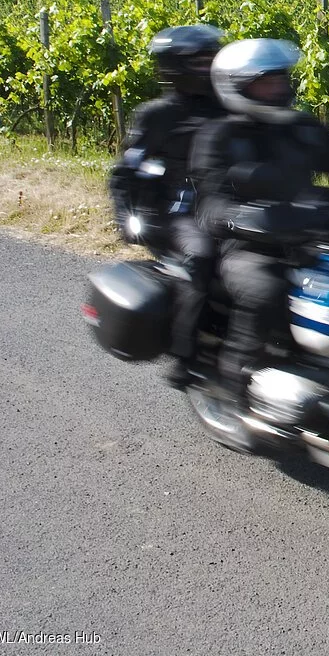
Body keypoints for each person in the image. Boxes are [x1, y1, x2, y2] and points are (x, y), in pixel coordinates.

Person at [190, 38, 329, 407]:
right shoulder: (219, 136)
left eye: (281, 80)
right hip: (250, 246)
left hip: (311, 236)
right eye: (266, 83)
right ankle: (238, 382)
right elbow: (211, 204)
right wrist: (251, 219)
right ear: (237, 88)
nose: (278, 89)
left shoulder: (301, 127)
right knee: (266, 290)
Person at [106, 24, 227, 387]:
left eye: (211, 58)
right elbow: (126, 171)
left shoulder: (227, 104)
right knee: (201, 257)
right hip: (179, 213)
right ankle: (186, 356)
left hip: (225, 207)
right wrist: (126, 216)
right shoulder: (157, 115)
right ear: (174, 67)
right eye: (199, 61)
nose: (208, 66)